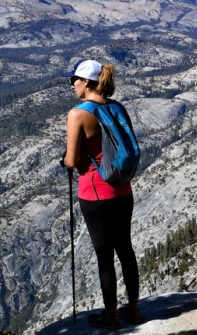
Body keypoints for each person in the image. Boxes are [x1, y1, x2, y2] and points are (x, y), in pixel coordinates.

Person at [61, 59, 140, 330]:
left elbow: (72, 160)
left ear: (86, 82)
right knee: (126, 250)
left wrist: (66, 160)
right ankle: (135, 310)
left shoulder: (78, 114)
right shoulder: (116, 107)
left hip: (95, 193)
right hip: (122, 187)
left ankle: (112, 317)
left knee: (105, 255)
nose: (72, 85)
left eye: (74, 80)